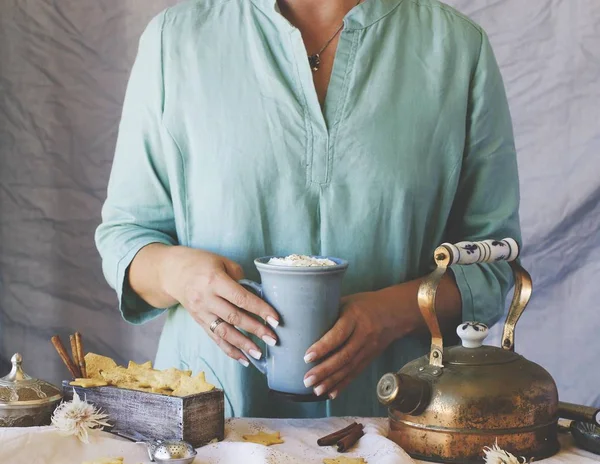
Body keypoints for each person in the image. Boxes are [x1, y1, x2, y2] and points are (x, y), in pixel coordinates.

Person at [96, 0, 521, 418]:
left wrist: (393, 312)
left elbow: (493, 262)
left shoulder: (457, 48)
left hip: (400, 418)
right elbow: (126, 238)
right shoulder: (176, 41)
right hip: (211, 422)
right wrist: (179, 274)